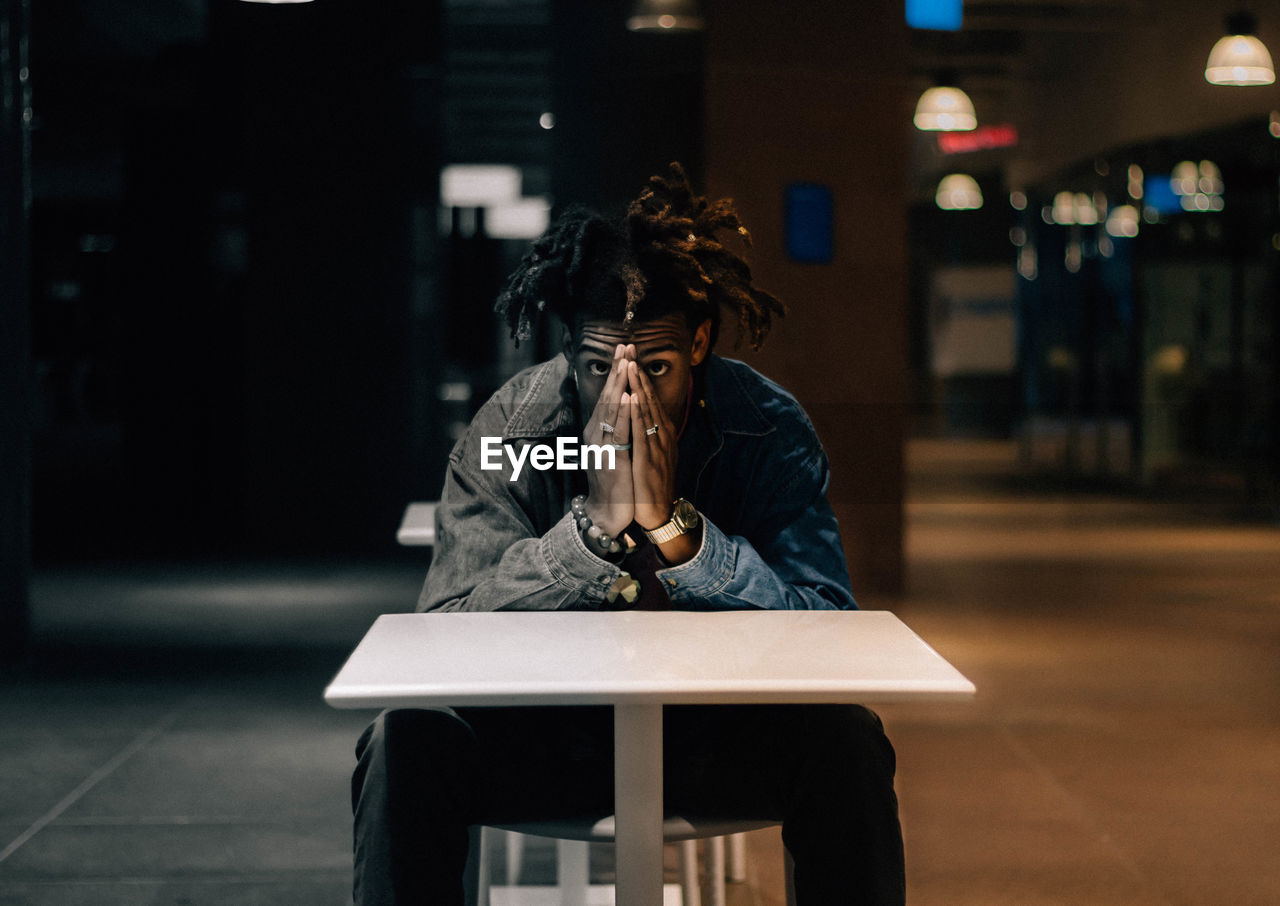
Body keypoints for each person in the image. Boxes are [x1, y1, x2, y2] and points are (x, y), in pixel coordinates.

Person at [351, 164, 905, 904]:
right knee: (403, 741)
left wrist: (681, 538)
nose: (626, 395)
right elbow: (443, 633)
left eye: (658, 366)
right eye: (596, 367)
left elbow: (831, 629)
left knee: (849, 741)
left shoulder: (764, 428)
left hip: (715, 735)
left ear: (702, 342)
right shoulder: (515, 429)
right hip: (550, 737)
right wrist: (585, 537)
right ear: (567, 350)